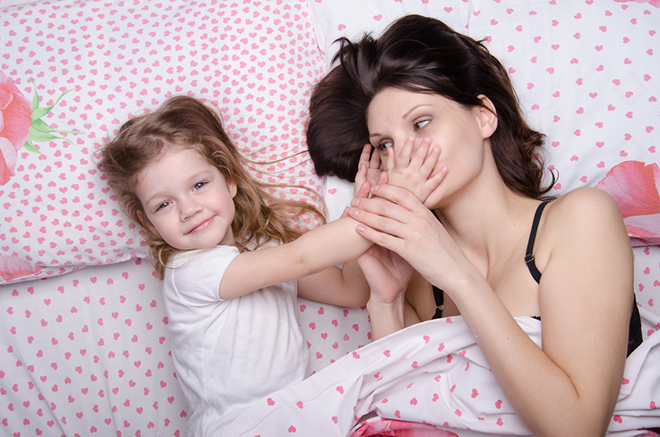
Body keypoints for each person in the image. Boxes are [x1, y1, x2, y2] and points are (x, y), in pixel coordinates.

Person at [307, 14, 642, 437]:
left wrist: (458, 274)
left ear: (484, 116)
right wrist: (385, 303)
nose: (405, 154)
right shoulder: (416, 276)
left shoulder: (581, 220)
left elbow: (576, 427)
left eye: (421, 122)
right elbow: (403, 412)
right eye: (386, 144)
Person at [97, 95, 443, 436]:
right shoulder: (190, 273)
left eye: (199, 185)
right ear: (149, 223)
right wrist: (394, 198)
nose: (188, 209)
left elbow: (349, 290)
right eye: (164, 205)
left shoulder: (264, 252)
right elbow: (302, 257)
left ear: (229, 180)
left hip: (291, 417)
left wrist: (362, 201)